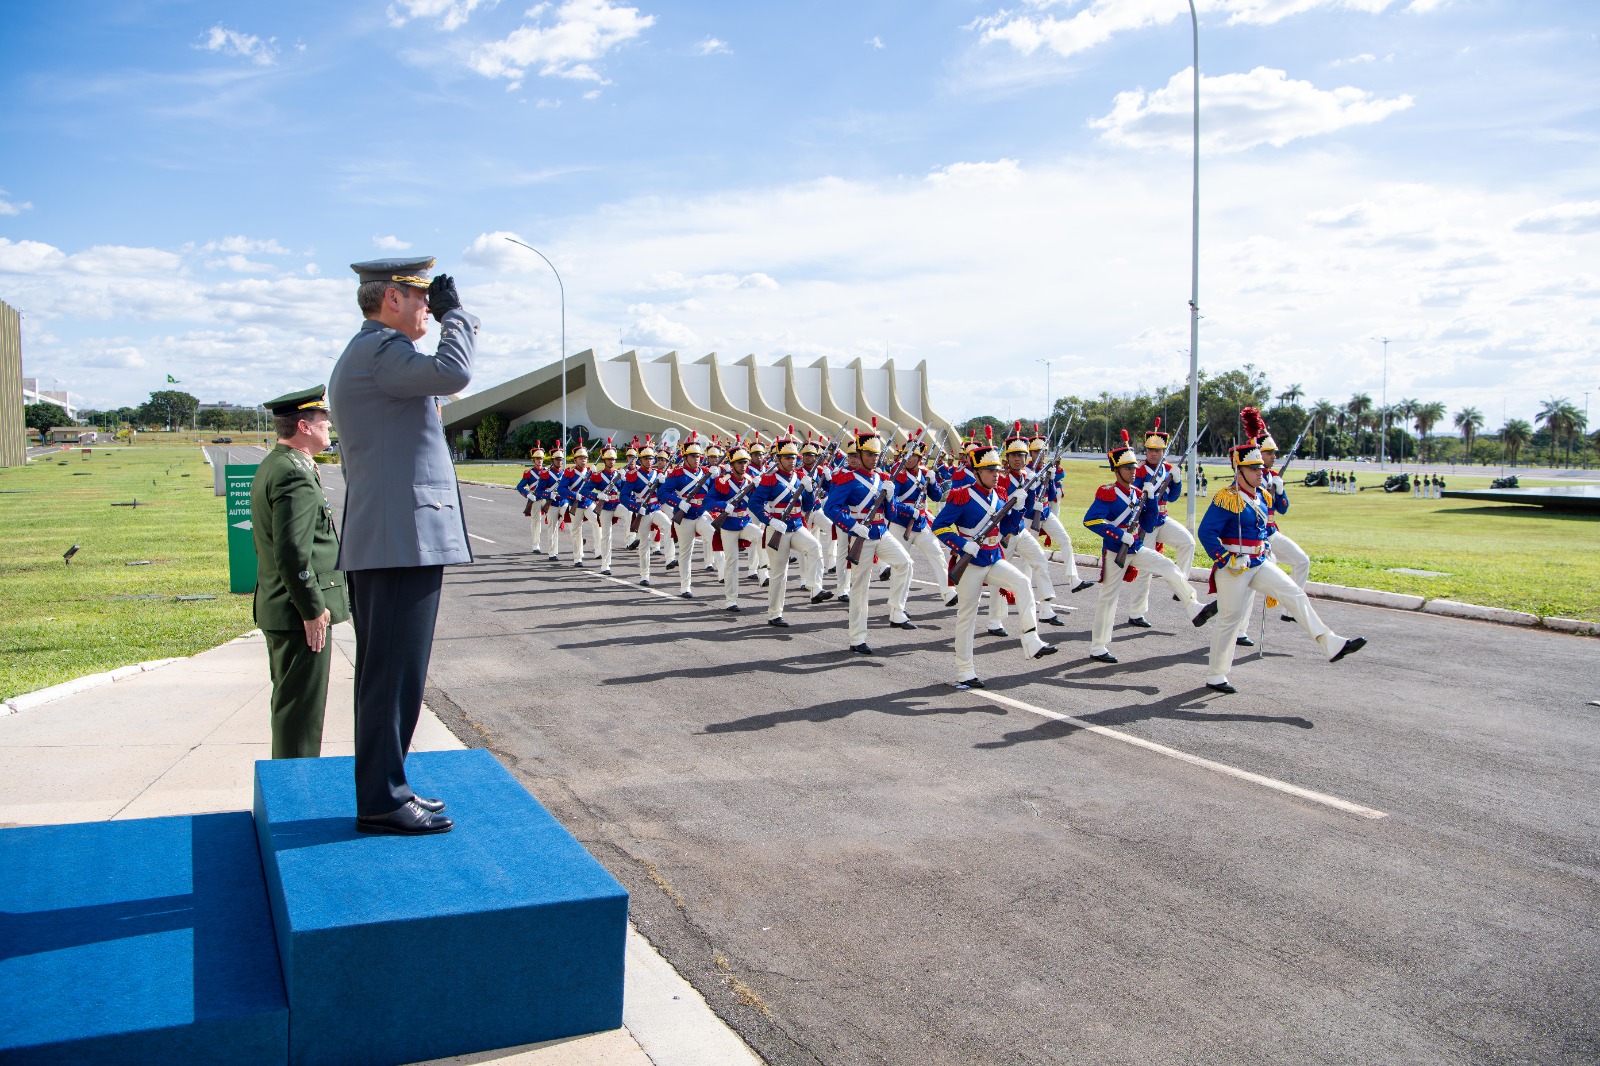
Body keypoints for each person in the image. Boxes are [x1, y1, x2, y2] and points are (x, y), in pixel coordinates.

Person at [328, 255, 473, 836]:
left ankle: (389, 786)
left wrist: (445, 317)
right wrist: (458, 318)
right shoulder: (383, 350)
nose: (429, 311)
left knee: (393, 675)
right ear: (392, 298)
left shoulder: (375, 352)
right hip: (397, 541)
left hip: (396, 537)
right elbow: (453, 373)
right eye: (421, 300)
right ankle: (382, 798)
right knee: (391, 677)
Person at [1197, 439, 1365, 694]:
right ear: (1239, 471)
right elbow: (1206, 532)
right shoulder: (1227, 498)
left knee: (1294, 593)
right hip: (1233, 567)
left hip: (1259, 562)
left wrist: (1266, 549)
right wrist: (1225, 558)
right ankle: (1216, 675)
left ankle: (1331, 643)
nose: (1260, 472)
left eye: (1260, 468)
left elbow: (1263, 530)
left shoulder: (1262, 496)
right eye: (1253, 468)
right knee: (1230, 619)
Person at [250, 385, 349, 759]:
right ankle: (296, 788)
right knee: (301, 718)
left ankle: (289, 782)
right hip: (298, 614)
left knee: (293, 708)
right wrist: (312, 608)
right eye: (323, 420)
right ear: (304, 426)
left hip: (282, 607)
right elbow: (292, 552)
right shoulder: (294, 473)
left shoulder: (278, 464)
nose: (329, 426)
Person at [1082, 431, 1216, 664]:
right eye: (1127, 468)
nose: (1133, 471)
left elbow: (1149, 523)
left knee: (1168, 566)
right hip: (1115, 552)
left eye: (1134, 467)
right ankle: (1098, 646)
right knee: (1108, 597)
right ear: (1116, 470)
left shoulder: (1137, 493)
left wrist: (1151, 499)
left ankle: (1193, 606)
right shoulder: (1108, 493)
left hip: (1136, 548)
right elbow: (1091, 521)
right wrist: (1120, 534)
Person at [931, 439, 1057, 688]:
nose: (996, 474)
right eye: (990, 470)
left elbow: (1007, 528)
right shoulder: (962, 496)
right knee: (967, 616)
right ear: (977, 472)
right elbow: (939, 526)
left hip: (993, 556)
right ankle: (965, 670)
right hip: (970, 563)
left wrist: (1018, 508)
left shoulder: (1000, 495)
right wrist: (962, 544)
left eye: (998, 470)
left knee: (1022, 582)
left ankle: (1031, 638)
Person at [824, 422, 914, 654]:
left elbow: (891, 515)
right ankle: (857, 638)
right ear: (860, 454)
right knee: (860, 588)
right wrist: (853, 526)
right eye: (869, 454)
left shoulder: (883, 478)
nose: (874, 459)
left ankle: (896, 610)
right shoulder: (848, 479)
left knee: (905, 563)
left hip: (881, 532)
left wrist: (891, 498)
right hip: (860, 535)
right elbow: (831, 508)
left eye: (876, 455)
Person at [1126, 419, 1197, 629]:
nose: (1153, 454)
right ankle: (1136, 613)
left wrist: (1177, 480)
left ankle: (1179, 584)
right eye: (1150, 450)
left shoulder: (1167, 469)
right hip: (1146, 522)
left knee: (1188, 542)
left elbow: (1173, 497)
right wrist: (1144, 490)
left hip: (1163, 518)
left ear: (1163, 451)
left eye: (1157, 450)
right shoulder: (1140, 471)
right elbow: (1132, 494)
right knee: (1145, 570)